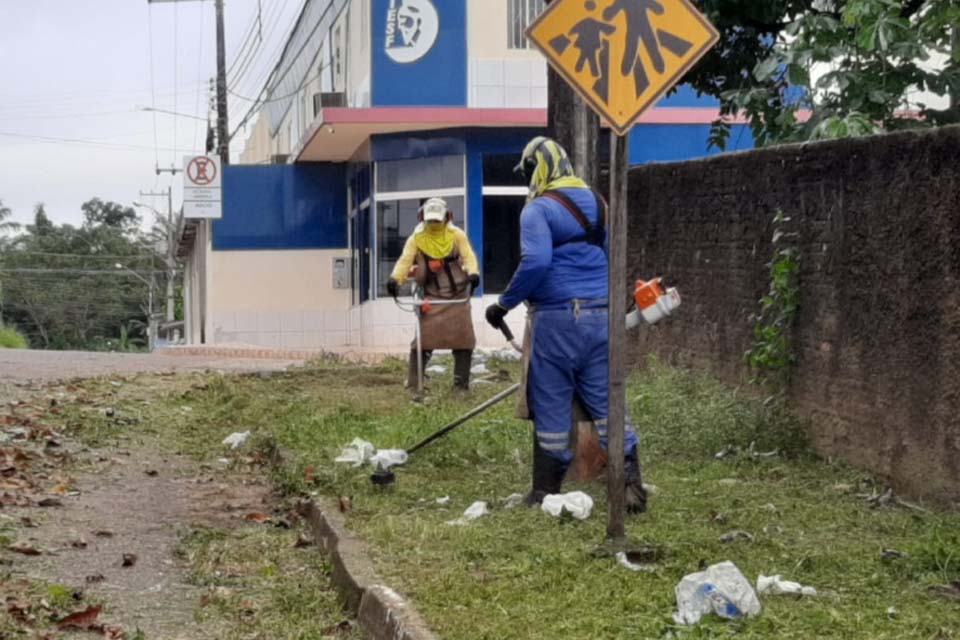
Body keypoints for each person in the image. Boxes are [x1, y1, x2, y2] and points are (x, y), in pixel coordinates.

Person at [484, 136, 647, 513]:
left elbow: (537, 263)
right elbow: (611, 255)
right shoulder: (599, 204)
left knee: (552, 399)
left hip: (557, 320)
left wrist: (504, 304)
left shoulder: (538, 210)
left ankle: (545, 493)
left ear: (536, 170)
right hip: (601, 317)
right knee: (607, 402)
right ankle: (631, 491)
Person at [388, 197, 480, 391]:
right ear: (423, 218)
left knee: (464, 340)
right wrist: (395, 279)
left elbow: (468, 255)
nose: (434, 224)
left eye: (437, 220)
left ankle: (460, 385)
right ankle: (414, 383)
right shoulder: (417, 239)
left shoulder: (457, 235)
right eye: (430, 221)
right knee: (422, 341)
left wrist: (473, 273)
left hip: (458, 297)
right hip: (432, 296)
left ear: (447, 218)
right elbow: (405, 261)